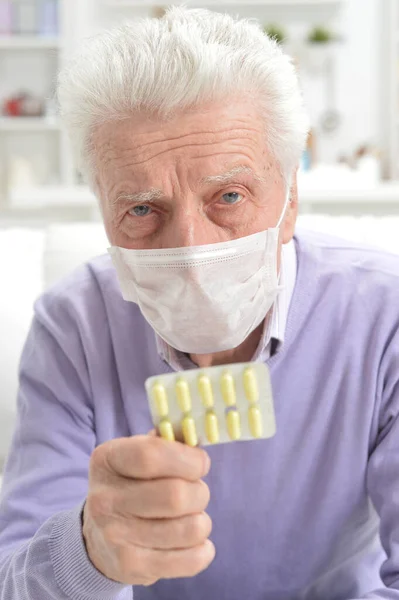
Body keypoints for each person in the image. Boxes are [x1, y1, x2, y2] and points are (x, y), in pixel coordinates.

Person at [0, 6, 398, 600]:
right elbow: (15, 581)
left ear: (289, 201)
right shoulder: (72, 327)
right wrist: (89, 552)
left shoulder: (384, 316)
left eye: (229, 196)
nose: (190, 251)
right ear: (102, 211)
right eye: (141, 209)